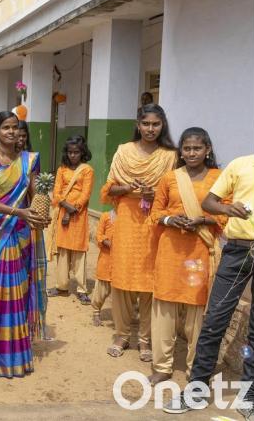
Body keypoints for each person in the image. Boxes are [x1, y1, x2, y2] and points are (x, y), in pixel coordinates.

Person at [164, 154, 254, 419]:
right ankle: (197, 388)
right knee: (215, 319)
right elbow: (209, 202)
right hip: (238, 251)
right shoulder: (242, 165)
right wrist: (228, 209)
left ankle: (251, 391)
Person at [147, 128, 226, 386]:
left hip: (201, 251)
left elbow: (226, 214)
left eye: (197, 148)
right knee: (164, 308)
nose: (191, 153)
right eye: (187, 148)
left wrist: (203, 219)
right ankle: (162, 366)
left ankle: (196, 367)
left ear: (208, 150)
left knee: (197, 309)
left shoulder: (219, 178)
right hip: (171, 249)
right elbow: (155, 212)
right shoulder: (170, 178)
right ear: (180, 151)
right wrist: (171, 219)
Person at [0, 111, 49, 378]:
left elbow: (35, 197)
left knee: (17, 293)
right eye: (6, 127)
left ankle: (16, 357)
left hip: (20, 235)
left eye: (15, 128)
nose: (11, 132)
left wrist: (41, 214)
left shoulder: (29, 161)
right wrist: (18, 213)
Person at [100, 103, 177, 361]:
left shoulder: (169, 156)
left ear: (162, 125)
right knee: (121, 280)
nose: (150, 129)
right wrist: (127, 188)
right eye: (146, 124)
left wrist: (154, 194)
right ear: (138, 124)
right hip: (126, 221)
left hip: (153, 223)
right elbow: (108, 189)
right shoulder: (123, 152)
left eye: (156, 124)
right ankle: (121, 335)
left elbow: (173, 194)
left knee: (148, 282)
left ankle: (145, 339)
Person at [46, 135, 94, 305]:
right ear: (66, 153)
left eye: (77, 152)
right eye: (70, 152)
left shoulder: (87, 170)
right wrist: (66, 207)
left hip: (79, 216)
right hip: (63, 212)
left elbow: (85, 194)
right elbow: (57, 193)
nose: (73, 155)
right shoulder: (62, 170)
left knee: (79, 251)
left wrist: (73, 210)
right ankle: (61, 286)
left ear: (82, 153)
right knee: (63, 251)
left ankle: (82, 289)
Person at [91, 210, 114, 327]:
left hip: (123, 263)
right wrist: (110, 243)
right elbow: (99, 235)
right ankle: (96, 313)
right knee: (101, 289)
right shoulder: (106, 216)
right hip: (106, 259)